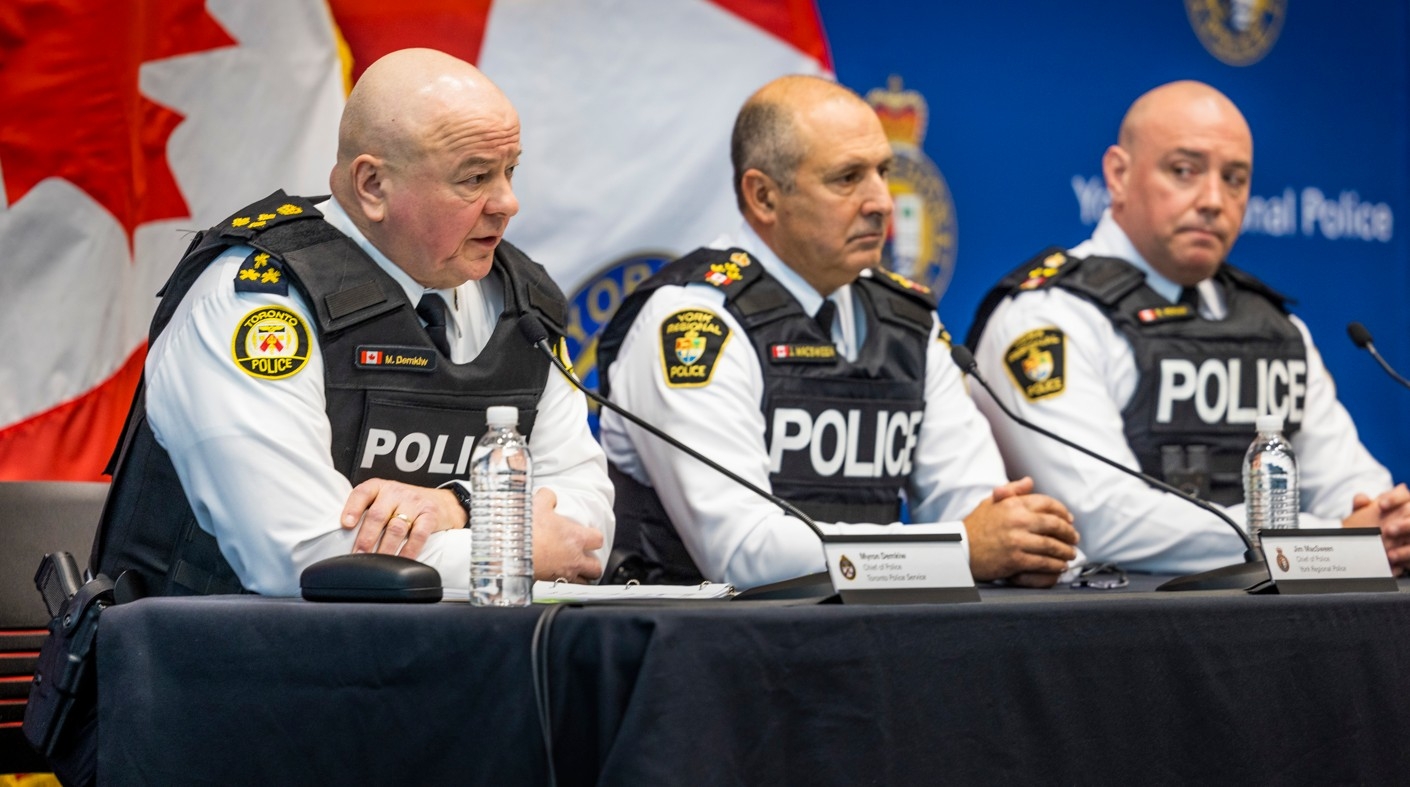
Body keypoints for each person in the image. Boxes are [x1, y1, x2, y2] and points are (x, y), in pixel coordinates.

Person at [91, 48, 613, 598]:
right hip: (218, 672)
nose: (508, 202)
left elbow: (585, 531)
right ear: (373, 186)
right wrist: (511, 551)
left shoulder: (520, 304)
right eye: (475, 177)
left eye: (510, 171)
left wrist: (457, 504)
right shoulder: (256, 303)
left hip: (438, 669)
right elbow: (301, 556)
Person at [596, 75, 1078, 590]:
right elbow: (744, 554)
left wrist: (1018, 540)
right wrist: (960, 551)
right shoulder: (694, 322)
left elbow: (973, 508)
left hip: (875, 639)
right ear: (763, 196)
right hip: (706, 653)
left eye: (883, 172)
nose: (882, 202)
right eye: (848, 178)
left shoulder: (906, 320)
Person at [968, 80, 1410, 576]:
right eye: (1184, 171)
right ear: (1118, 175)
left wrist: (1390, 523)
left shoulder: (1276, 329)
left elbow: (1351, 485)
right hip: (1113, 635)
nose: (1213, 200)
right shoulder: (1048, 318)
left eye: (1235, 179)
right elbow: (1104, 522)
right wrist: (1329, 541)